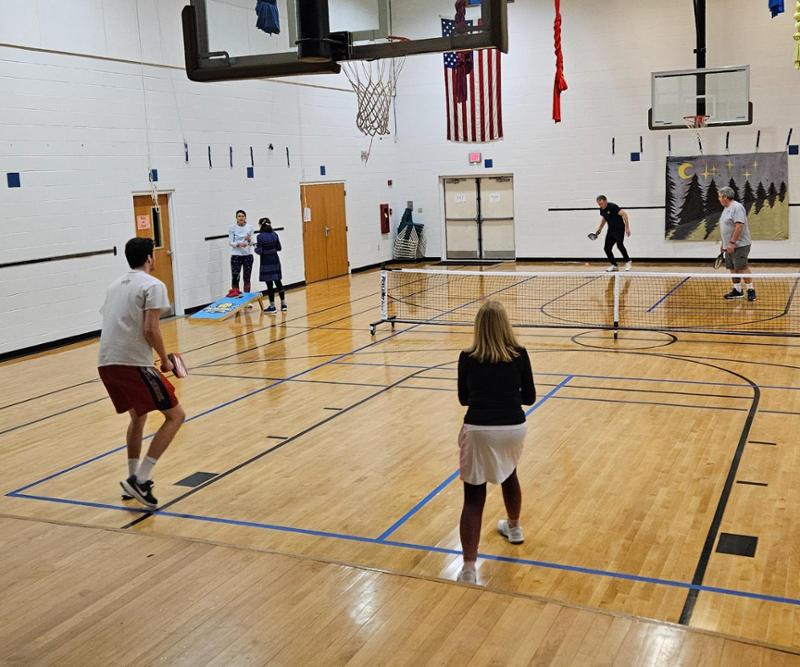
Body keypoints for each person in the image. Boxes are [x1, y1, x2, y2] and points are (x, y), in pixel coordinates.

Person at [97, 237, 186, 509]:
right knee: (176, 416)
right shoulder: (153, 285)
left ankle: (131, 480)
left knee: (138, 417)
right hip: (133, 363)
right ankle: (141, 479)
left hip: (106, 362)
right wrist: (165, 360)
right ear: (149, 257)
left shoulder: (114, 286)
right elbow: (150, 328)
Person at [456, 300, 536, 585]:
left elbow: (464, 399)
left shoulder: (467, 357)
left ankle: (469, 569)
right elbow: (529, 397)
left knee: (473, 497)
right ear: (505, 326)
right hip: (513, 428)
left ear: (479, 327)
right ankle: (514, 528)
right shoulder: (520, 354)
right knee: (509, 473)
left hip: (479, 429)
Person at [718, 186, 756, 301]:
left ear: (725, 197)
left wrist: (732, 242)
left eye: (720, 197)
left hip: (740, 245)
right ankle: (737, 290)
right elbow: (726, 227)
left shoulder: (737, 207)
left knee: (742, 267)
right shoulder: (726, 208)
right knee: (733, 268)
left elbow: (739, 226)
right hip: (729, 245)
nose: (719, 199)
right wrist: (724, 244)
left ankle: (751, 290)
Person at [254, 217, 286, 312]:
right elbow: (279, 248)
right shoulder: (275, 234)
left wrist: (255, 247)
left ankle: (272, 306)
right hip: (275, 260)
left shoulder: (259, 236)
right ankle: (283, 305)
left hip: (266, 261)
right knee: (278, 282)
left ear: (261, 225)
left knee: (269, 284)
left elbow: (260, 251)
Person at [593, 195, 632, 272]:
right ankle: (614, 266)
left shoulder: (612, 206)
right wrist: (600, 229)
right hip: (611, 230)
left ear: (606, 201)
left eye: (601, 203)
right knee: (607, 248)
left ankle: (628, 261)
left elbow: (624, 214)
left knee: (619, 245)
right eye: (599, 204)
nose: (600, 205)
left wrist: (627, 228)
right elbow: (604, 218)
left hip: (619, 229)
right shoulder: (601, 209)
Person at [227, 209, 254, 297]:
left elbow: (252, 242)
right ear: (236, 218)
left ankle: (247, 298)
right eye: (239, 216)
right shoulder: (232, 228)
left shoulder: (250, 227)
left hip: (247, 255)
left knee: (247, 278)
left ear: (245, 217)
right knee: (235, 278)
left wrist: (249, 240)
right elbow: (230, 242)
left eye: (242, 216)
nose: (241, 218)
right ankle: (236, 296)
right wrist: (238, 244)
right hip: (236, 255)